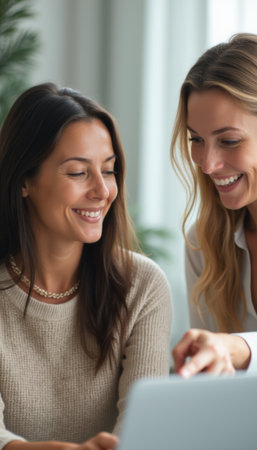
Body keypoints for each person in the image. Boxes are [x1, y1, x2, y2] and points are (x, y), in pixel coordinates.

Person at [0, 83, 172, 450]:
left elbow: (146, 433)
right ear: (25, 180)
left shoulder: (142, 286)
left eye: (108, 171)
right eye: (78, 173)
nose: (101, 190)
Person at [170, 33, 257, 378]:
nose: (207, 165)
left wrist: (238, 348)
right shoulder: (204, 244)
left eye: (229, 141)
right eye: (197, 140)